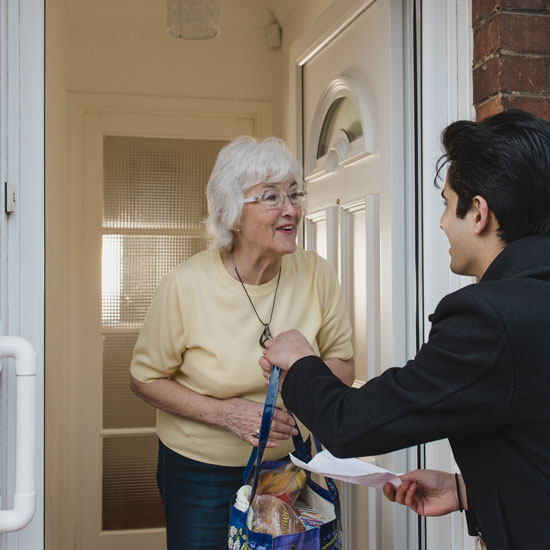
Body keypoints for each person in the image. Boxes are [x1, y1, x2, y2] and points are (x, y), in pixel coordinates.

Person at [259, 109, 550, 549]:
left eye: (447, 204)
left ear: (479, 214)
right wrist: (466, 489)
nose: (441, 223)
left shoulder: (489, 319)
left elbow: (351, 425)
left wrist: (300, 360)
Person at [129, 135, 354, 550]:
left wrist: (300, 378)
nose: (291, 209)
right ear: (231, 214)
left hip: (286, 466)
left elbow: (342, 361)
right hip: (199, 470)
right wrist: (225, 414)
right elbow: (144, 379)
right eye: (271, 196)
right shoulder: (185, 285)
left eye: (294, 194)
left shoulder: (317, 275)